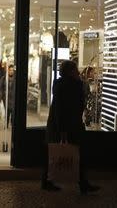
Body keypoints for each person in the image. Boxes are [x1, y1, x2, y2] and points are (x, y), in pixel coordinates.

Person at [41, 60, 100, 194]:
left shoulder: (61, 84)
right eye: (75, 69)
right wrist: (63, 130)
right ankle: (81, 183)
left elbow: (60, 108)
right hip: (68, 126)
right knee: (74, 153)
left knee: (53, 153)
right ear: (70, 71)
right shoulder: (72, 86)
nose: (78, 72)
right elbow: (64, 109)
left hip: (61, 125)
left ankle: (48, 181)